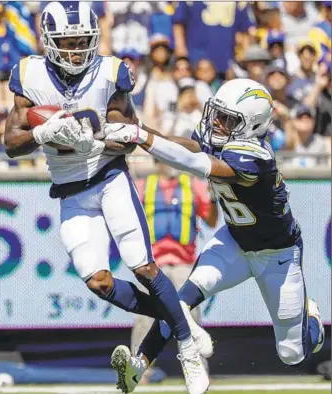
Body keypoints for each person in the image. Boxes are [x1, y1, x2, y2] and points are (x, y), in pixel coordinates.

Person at [3, 3, 209, 394]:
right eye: (68, 42)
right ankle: (180, 319)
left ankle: (187, 347)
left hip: (109, 176)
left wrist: (93, 132)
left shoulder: (110, 72)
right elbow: (11, 143)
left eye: (83, 41)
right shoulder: (28, 74)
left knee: (143, 267)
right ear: (49, 42)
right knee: (99, 282)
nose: (77, 50)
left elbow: (127, 131)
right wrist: (42, 135)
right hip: (69, 191)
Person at [105, 78, 325, 392]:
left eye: (229, 119)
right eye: (217, 114)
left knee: (292, 354)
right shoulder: (220, 135)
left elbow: (196, 163)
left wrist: (142, 137)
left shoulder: (256, 157)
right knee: (176, 303)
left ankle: (311, 320)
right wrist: (142, 131)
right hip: (235, 241)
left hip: (278, 255)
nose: (218, 123)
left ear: (252, 125)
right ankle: (138, 366)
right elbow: (187, 145)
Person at [131, 160, 218, 380]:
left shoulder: (193, 186)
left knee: (190, 317)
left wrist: (214, 196)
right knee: (145, 318)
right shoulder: (144, 185)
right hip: (152, 264)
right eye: (162, 158)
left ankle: (198, 371)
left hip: (184, 264)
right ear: (157, 162)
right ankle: (138, 373)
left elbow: (211, 219)